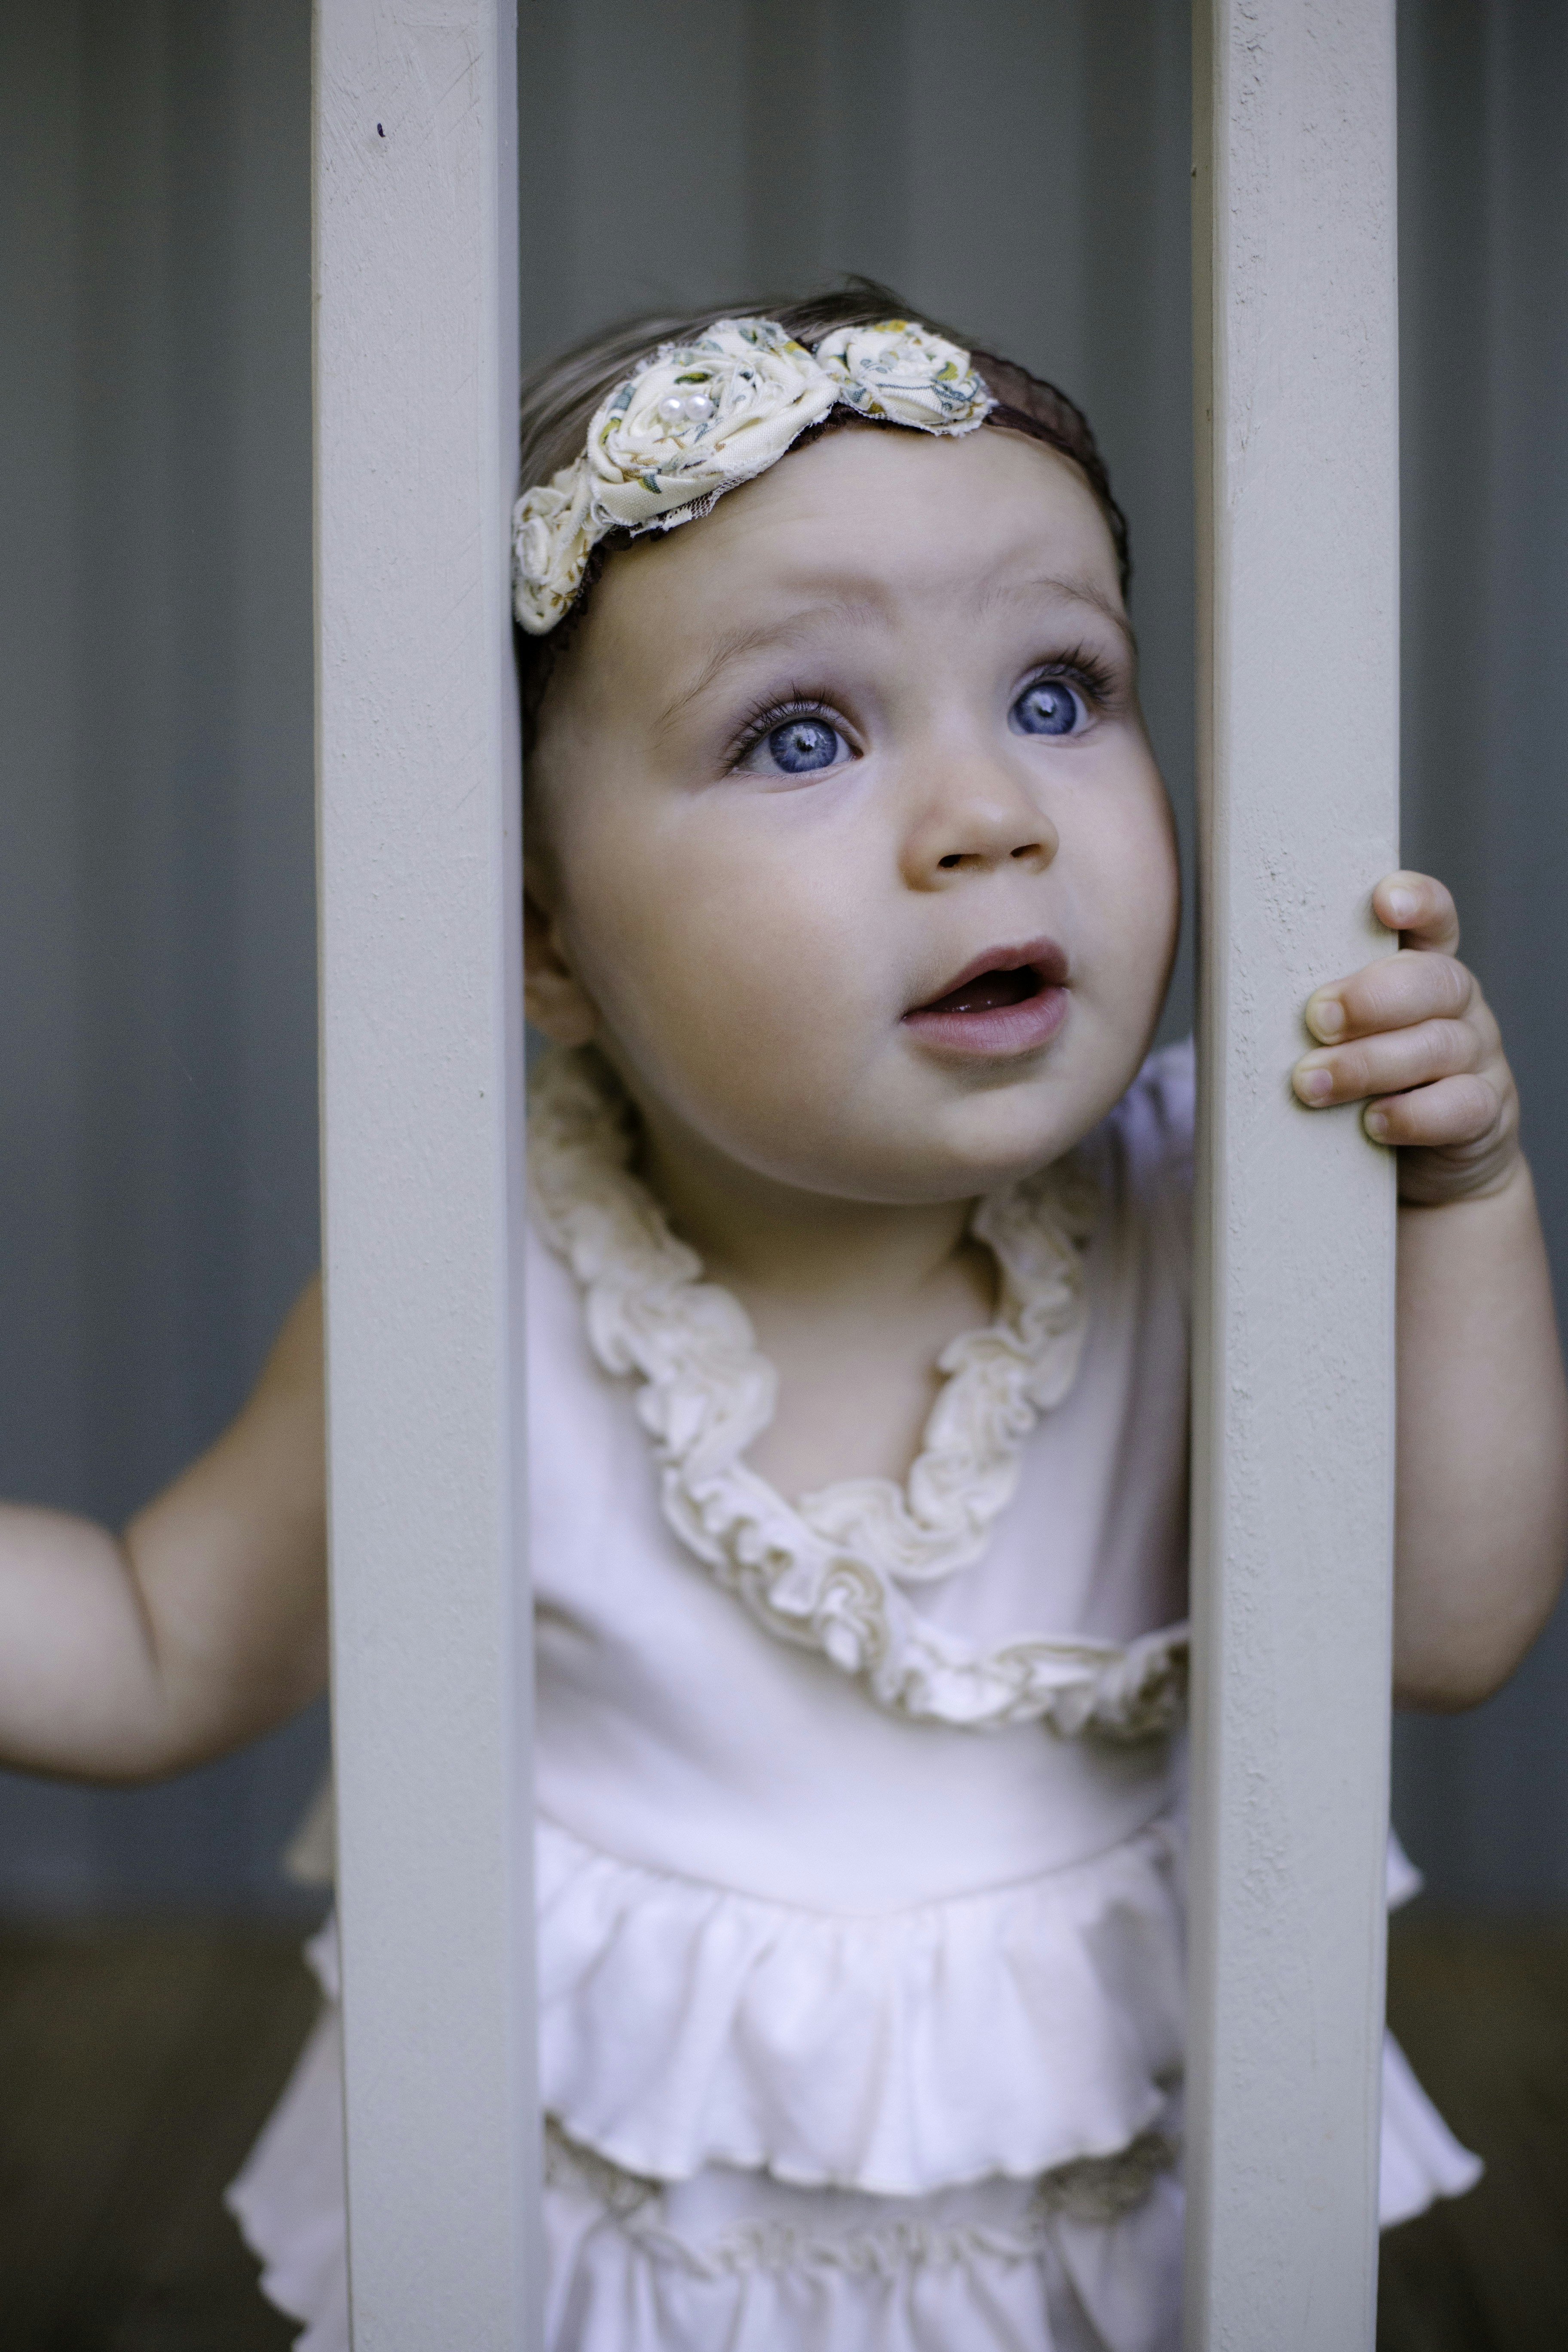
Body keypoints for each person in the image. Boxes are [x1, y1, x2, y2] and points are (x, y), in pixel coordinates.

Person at [3, 287, 1565, 2350]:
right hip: (613, 2252)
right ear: (546, 940)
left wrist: (1459, 1194)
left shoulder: (1227, 1204)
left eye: (1062, 691)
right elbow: (149, 1641)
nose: (991, 813)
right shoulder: (490, 1288)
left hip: (1102, 2246)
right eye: (802, 735)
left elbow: (1444, 1634)